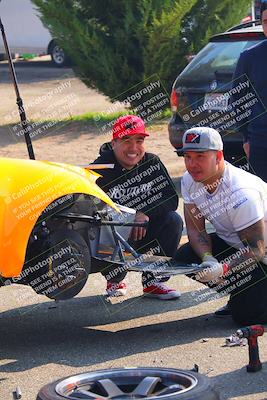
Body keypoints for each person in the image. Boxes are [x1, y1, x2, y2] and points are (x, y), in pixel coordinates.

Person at [175, 126, 267, 325]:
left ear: (218, 156)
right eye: (187, 157)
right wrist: (208, 259)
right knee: (186, 257)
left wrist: (223, 269)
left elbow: (256, 250)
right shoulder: (190, 180)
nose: (192, 164)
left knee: (246, 318)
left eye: (200, 156)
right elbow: (195, 229)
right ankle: (243, 294)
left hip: (261, 254)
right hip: (239, 248)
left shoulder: (242, 192)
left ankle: (249, 299)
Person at [92, 115, 183, 299]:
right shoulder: (99, 168)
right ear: (114, 142)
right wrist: (127, 218)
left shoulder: (152, 163)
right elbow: (90, 209)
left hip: (145, 231)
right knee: (104, 228)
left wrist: (143, 213)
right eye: (126, 140)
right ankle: (114, 278)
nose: (134, 148)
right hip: (116, 235)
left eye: (139, 141)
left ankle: (153, 282)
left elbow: (171, 199)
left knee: (173, 220)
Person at [232, 1, 267, 181]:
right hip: (261, 143)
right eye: (266, 21)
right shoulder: (249, 58)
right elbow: (237, 99)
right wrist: (246, 138)